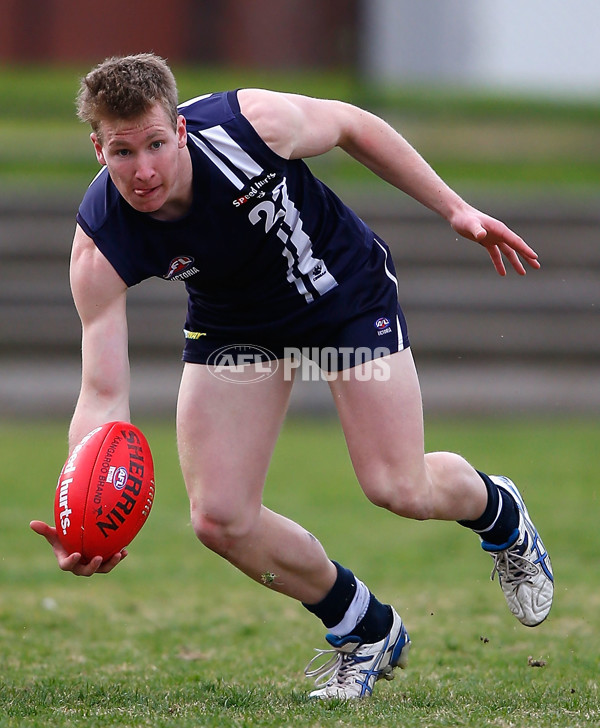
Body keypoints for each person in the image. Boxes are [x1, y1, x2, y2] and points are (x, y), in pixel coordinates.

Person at [31, 53, 553, 700]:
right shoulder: (101, 242)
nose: (143, 171)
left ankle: (500, 513)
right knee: (219, 517)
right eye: (121, 152)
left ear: (181, 130)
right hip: (238, 328)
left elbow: (353, 124)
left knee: (398, 486)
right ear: (97, 148)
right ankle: (364, 628)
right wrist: (85, 512)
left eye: (157, 145)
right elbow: (104, 394)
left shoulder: (251, 125)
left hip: (342, 296)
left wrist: (454, 209)